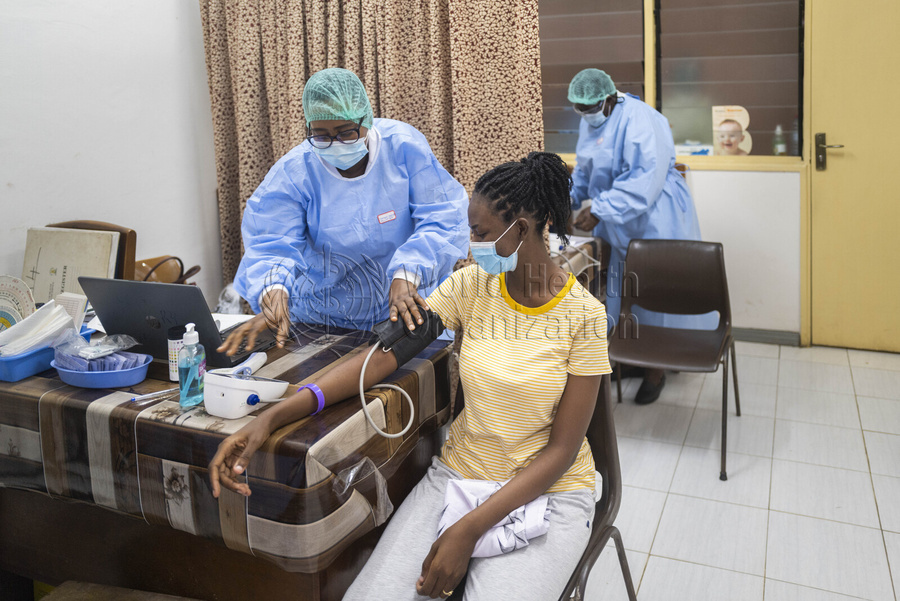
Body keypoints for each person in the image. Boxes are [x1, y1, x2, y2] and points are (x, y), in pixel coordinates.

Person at [209, 153, 611, 601]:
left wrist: (467, 531)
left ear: (520, 229)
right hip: (460, 474)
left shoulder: (584, 318)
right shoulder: (471, 287)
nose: (469, 244)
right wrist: (274, 415)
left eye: (480, 234)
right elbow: (378, 359)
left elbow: (561, 451)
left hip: (550, 491)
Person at [220, 68, 469, 355]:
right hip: (321, 316)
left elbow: (443, 217)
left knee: (410, 390)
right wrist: (273, 292)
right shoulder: (295, 173)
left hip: (401, 311)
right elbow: (270, 244)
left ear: (367, 119)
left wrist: (407, 273)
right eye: (321, 135)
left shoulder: (403, 148)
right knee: (323, 395)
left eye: (346, 132)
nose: (335, 144)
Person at [568, 68, 713, 405]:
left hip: (656, 217)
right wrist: (569, 198)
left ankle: (657, 370)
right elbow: (587, 170)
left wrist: (600, 209)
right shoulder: (591, 121)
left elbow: (644, 181)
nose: (585, 114)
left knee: (658, 292)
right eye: (579, 109)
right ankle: (636, 356)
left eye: (589, 108)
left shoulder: (642, 120)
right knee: (626, 292)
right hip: (619, 220)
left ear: (608, 99)